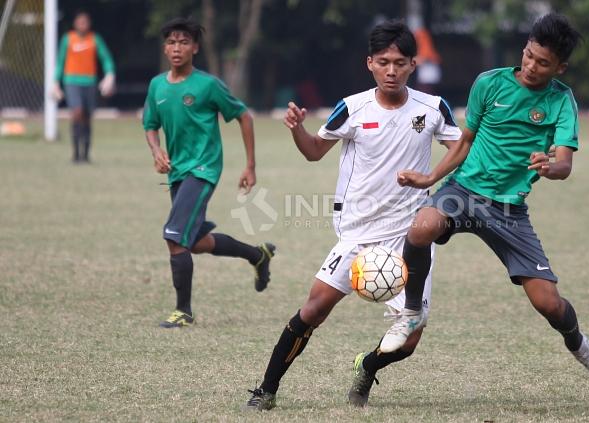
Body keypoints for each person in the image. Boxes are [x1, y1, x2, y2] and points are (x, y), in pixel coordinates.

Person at [377, 13, 589, 387]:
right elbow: (465, 141)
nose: (532, 66)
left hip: (507, 210)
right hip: (463, 192)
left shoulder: (560, 101)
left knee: (548, 304)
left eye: (543, 63)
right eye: (529, 55)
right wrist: (430, 179)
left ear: (560, 68)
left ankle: (579, 343)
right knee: (422, 227)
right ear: (524, 49)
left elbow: (565, 164)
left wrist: (549, 166)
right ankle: (410, 312)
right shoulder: (489, 83)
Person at [244, 20, 461, 411]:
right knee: (313, 309)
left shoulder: (432, 109)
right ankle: (266, 390)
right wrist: (297, 129)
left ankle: (368, 365)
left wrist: (439, 185)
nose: (391, 70)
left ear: (414, 64)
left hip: (410, 236)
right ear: (370, 63)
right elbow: (313, 151)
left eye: (399, 62)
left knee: (409, 340)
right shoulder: (353, 107)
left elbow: (460, 151)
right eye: (383, 62)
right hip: (358, 233)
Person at [141, 18, 275, 329]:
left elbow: (244, 117)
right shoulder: (157, 85)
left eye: (184, 42)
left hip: (203, 169)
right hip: (177, 172)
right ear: (165, 48)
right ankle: (257, 255)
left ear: (195, 48)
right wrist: (156, 150)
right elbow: (150, 125)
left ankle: (183, 312)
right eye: (172, 42)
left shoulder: (208, 85)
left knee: (174, 237)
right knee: (195, 242)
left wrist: (250, 165)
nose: (177, 48)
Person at [53, 11, 115, 163]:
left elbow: (106, 59)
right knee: (77, 112)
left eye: (85, 22)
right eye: (80, 22)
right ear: (75, 24)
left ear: (89, 24)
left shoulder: (94, 39)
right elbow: (60, 62)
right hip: (72, 81)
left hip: (90, 82)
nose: (83, 25)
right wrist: (56, 82)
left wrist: (110, 75)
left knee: (87, 116)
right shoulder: (68, 39)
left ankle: (85, 154)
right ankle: (75, 153)